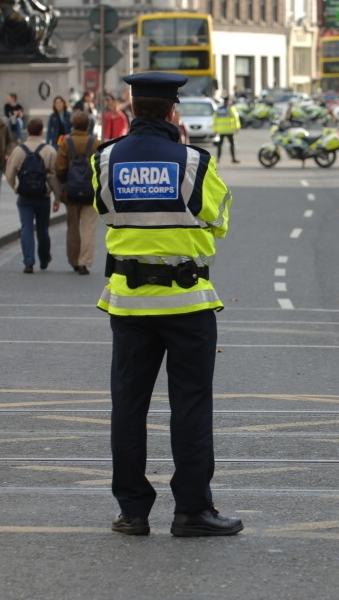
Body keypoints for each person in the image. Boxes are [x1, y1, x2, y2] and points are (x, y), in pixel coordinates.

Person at [92, 72, 241, 538]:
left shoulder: (106, 159)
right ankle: (192, 511)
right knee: (190, 405)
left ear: (132, 109)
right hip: (187, 303)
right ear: (173, 112)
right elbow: (218, 221)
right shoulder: (194, 163)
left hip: (129, 304)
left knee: (128, 407)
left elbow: (105, 211)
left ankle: (133, 511)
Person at [5, 118, 61, 272]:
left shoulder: (18, 150)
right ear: (41, 131)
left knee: (26, 228)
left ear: (28, 131)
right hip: (42, 196)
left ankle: (28, 261)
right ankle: (44, 258)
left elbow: (9, 173)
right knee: (43, 229)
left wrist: (16, 187)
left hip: (24, 196)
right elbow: (54, 176)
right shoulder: (48, 150)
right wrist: (57, 197)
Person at [55, 111, 102, 275]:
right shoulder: (96, 143)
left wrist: (66, 181)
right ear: (88, 125)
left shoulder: (66, 143)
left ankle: (74, 260)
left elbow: (59, 167)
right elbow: (103, 167)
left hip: (71, 191)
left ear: (73, 125)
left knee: (73, 227)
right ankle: (84, 262)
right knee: (89, 227)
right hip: (91, 191)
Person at [214, 96, 241, 164]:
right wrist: (237, 127)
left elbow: (215, 120)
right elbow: (236, 118)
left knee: (220, 145)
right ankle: (233, 158)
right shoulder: (231, 108)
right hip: (229, 130)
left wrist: (215, 130)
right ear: (228, 101)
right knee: (232, 144)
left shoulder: (219, 109)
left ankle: (218, 159)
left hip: (221, 130)